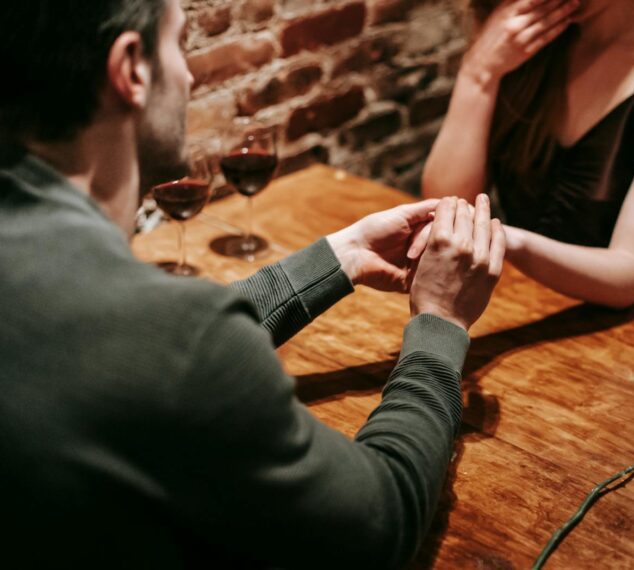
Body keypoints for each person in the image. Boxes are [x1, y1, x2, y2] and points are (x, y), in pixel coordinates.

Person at [0, 0, 505, 567]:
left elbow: (129, 352)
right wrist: (439, 323)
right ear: (132, 69)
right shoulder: (170, 339)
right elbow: (377, 523)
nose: (190, 76)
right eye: (180, 43)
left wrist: (342, 256)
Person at [422, 0, 634, 308]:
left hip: (623, 328)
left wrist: (507, 239)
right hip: (515, 299)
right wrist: (478, 74)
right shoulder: (527, 28)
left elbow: (628, 276)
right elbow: (447, 203)